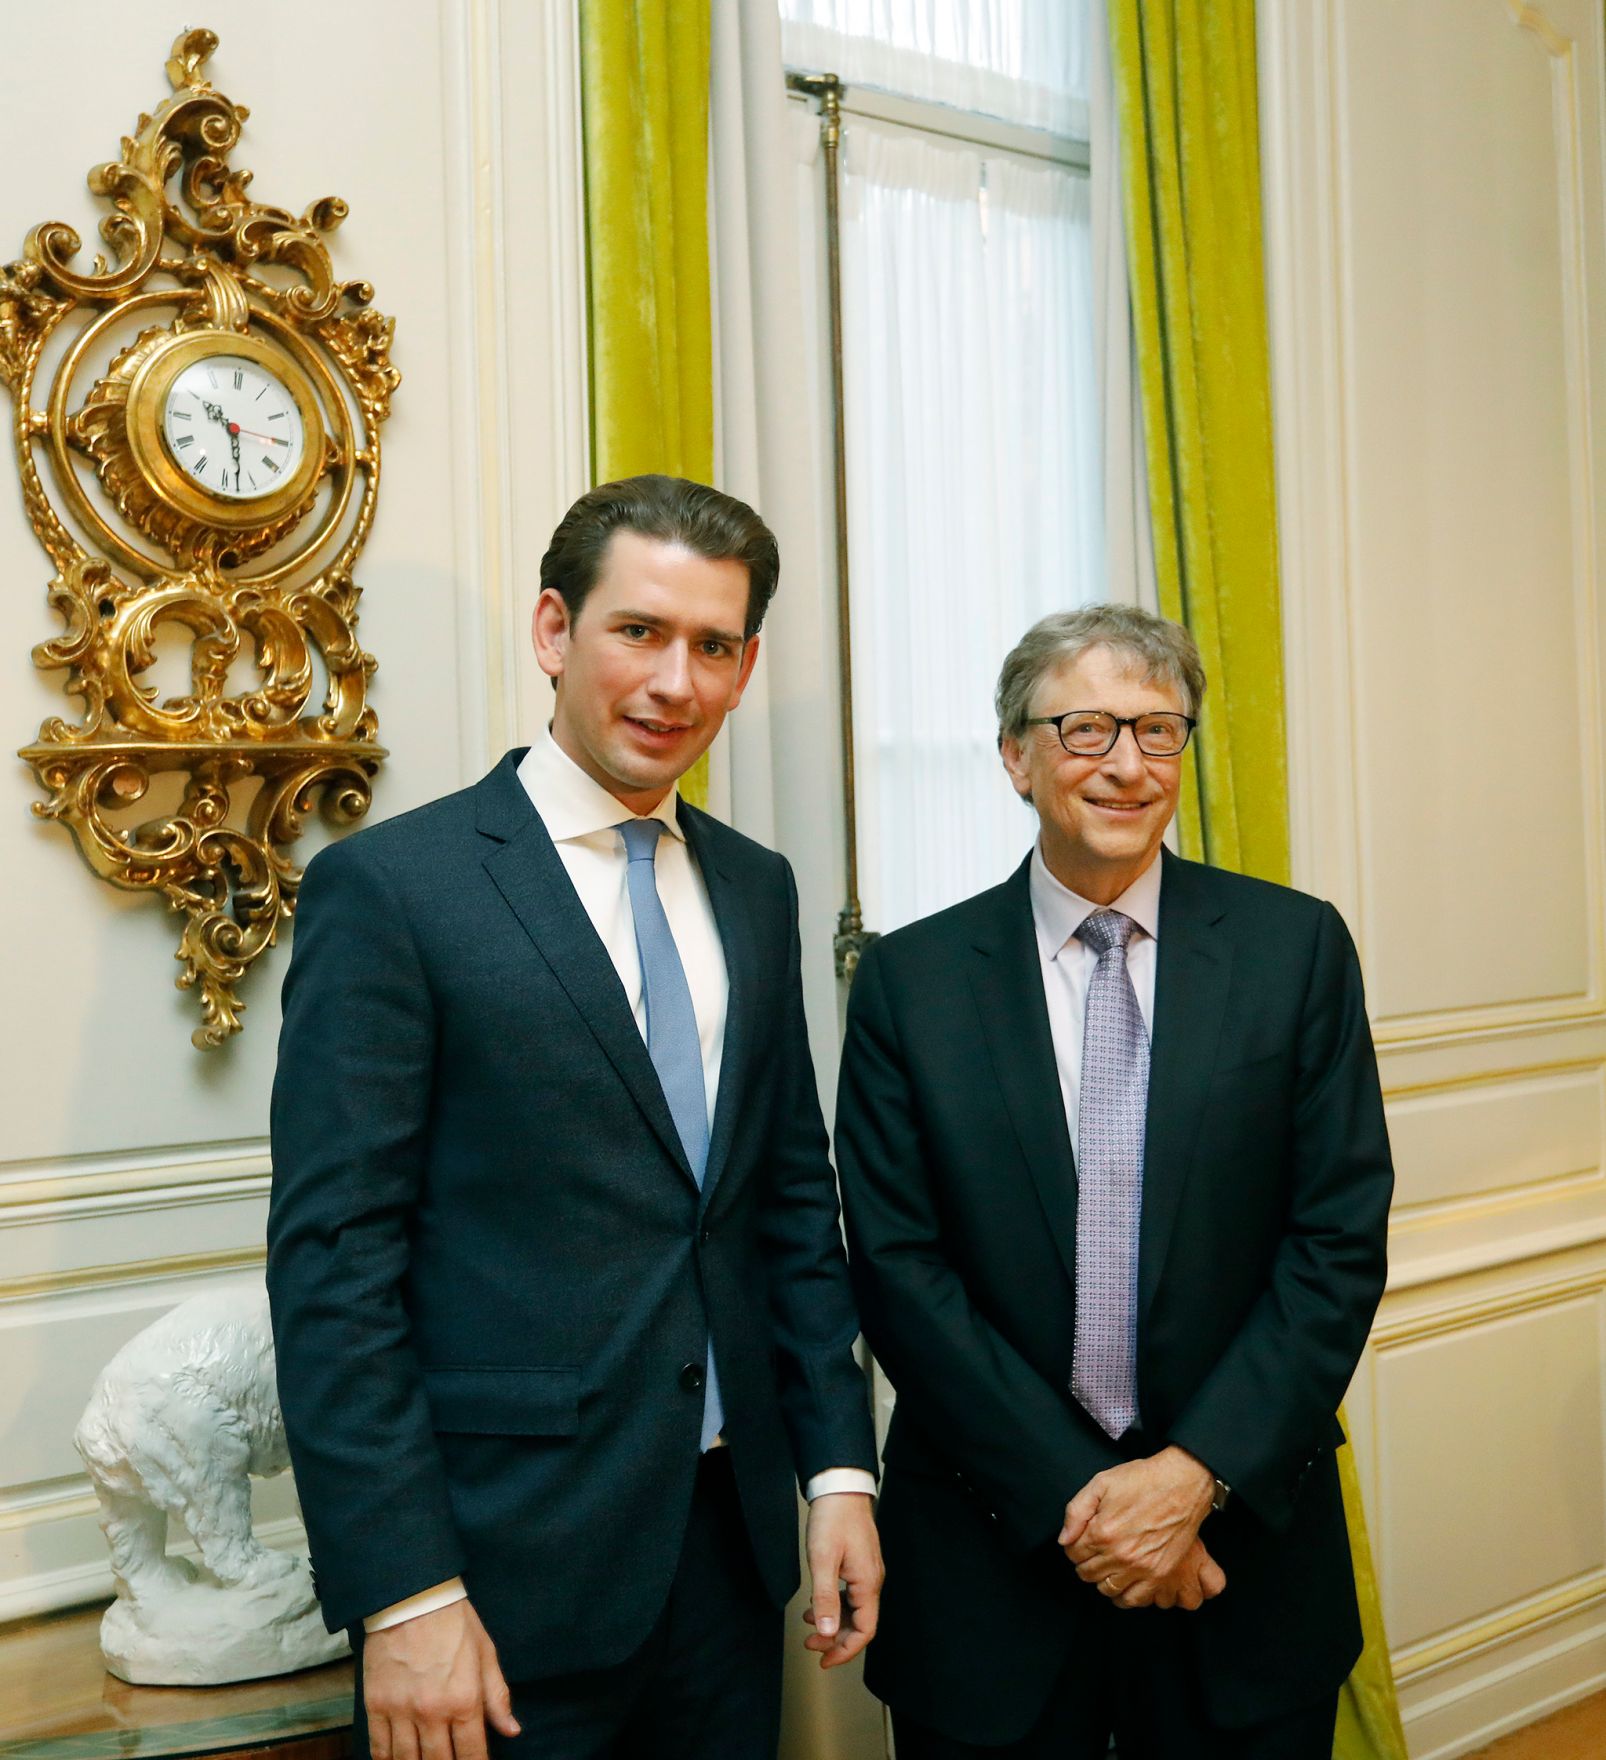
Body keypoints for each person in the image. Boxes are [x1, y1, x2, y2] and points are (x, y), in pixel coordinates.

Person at [267, 475, 881, 1760]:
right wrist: (407, 1591)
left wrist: (835, 1471)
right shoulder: (392, 889)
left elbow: (785, 1203)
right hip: (496, 1583)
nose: (675, 682)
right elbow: (335, 1267)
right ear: (555, 631)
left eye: (713, 646)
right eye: (639, 632)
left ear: (746, 665)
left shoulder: (757, 888)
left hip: (726, 1557)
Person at [834, 605, 1393, 1758]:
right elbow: (898, 1269)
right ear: (1015, 755)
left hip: (1239, 1550)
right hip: (993, 1554)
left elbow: (1334, 1238)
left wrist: (1189, 1480)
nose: (1128, 764)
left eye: (1159, 730)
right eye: (1085, 728)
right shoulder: (911, 980)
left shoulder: (1295, 950)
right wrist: (1094, 1509)